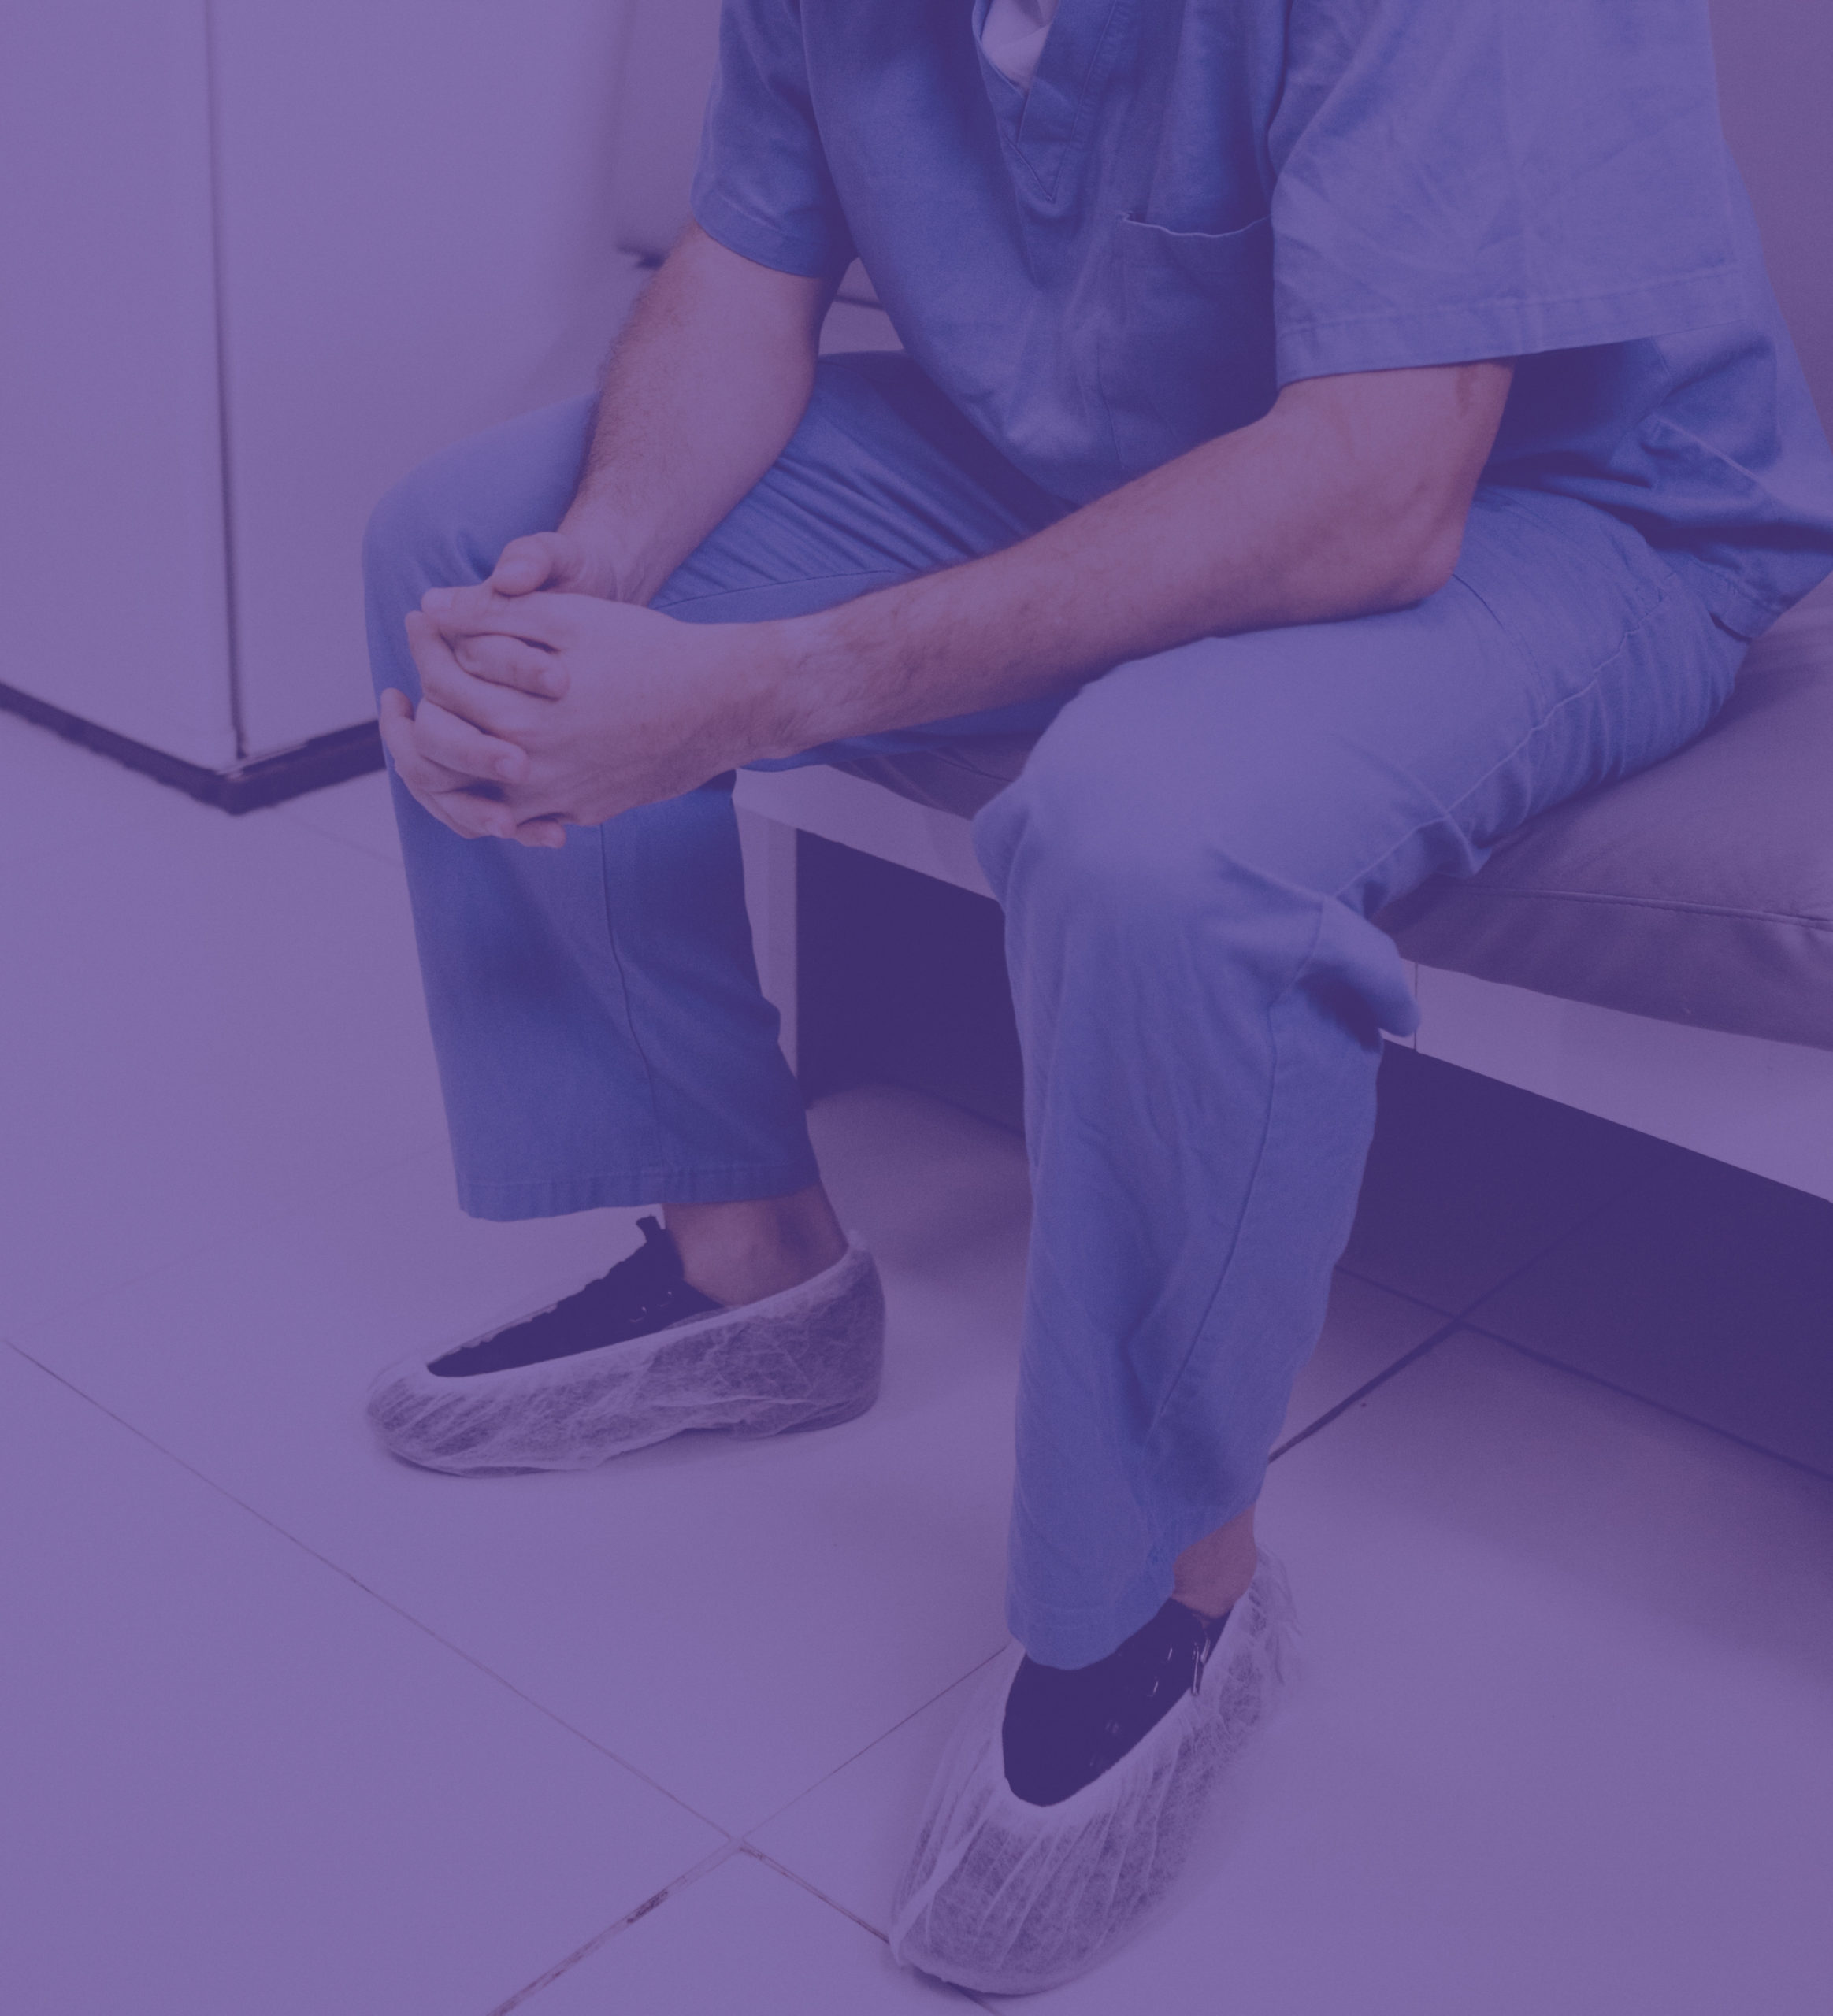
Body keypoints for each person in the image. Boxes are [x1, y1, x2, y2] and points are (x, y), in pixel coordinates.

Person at [362, 0, 1833, 1990]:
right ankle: (746, 1270)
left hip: (1549, 507)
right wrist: (599, 585)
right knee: (471, 553)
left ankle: (1161, 1599)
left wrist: (766, 685)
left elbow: (1383, 484)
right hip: (1103, 440)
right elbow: (744, 266)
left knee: (1146, 829)